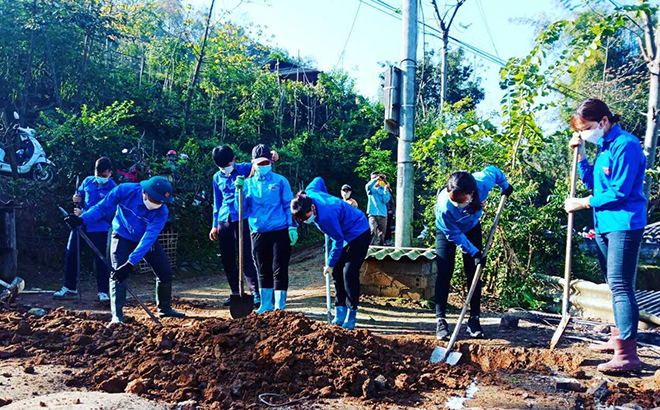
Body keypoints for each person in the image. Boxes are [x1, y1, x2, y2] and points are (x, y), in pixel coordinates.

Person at [566, 98, 647, 374]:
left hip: (624, 224)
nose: (585, 133)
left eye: (588, 128)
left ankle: (627, 354)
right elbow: (592, 183)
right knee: (615, 285)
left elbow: (619, 192)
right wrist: (582, 156)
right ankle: (617, 338)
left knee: (622, 285)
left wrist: (583, 203)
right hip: (604, 225)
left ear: (603, 121)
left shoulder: (627, 145)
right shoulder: (604, 146)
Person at [65, 176, 185, 325]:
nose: (157, 204)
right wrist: (83, 219)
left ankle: (164, 308)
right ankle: (117, 316)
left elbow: (148, 238)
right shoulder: (125, 190)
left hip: (145, 241)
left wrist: (130, 264)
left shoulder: (162, 212)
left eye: (161, 202)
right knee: (117, 273)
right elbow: (102, 207)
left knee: (165, 272)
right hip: (121, 236)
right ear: (145, 193)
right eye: (155, 200)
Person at [434, 167, 513, 340]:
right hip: (449, 231)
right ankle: (441, 320)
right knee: (444, 271)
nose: (458, 206)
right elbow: (453, 235)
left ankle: (474, 318)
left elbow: (495, 171)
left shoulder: (482, 182)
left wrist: (505, 186)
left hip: (471, 227)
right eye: (456, 203)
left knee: (474, 272)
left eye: (462, 202)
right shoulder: (444, 207)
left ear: (471, 193)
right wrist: (474, 251)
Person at [291, 177, 371, 329]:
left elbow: (338, 241)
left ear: (313, 208)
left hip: (358, 230)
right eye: (302, 220)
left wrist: (329, 263)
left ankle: (351, 313)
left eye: (306, 217)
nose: (306, 221)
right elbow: (319, 179)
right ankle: (340, 311)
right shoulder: (308, 193)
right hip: (343, 231)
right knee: (336, 273)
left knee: (349, 272)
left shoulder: (326, 217)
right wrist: (327, 195)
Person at [235, 144, 297, 313]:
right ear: (253, 163)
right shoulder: (248, 184)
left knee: (279, 267)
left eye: (265, 163)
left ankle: (279, 305)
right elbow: (242, 210)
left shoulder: (280, 181)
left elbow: (288, 205)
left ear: (271, 162)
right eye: (259, 163)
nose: (263, 166)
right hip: (258, 231)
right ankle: (266, 304)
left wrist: (292, 226)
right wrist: (237, 192)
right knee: (262, 268)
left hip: (280, 230)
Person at [209, 145, 268, 307]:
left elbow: (261, 164)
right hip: (224, 221)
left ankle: (255, 292)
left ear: (233, 160)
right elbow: (217, 202)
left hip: (242, 218)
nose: (226, 168)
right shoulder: (216, 178)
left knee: (247, 256)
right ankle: (235, 292)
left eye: (228, 164)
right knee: (228, 258)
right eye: (222, 166)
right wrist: (214, 225)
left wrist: (272, 156)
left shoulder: (244, 169)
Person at [54, 157, 117, 302]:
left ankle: (102, 291)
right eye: (98, 173)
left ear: (110, 173)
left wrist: (85, 215)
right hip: (80, 226)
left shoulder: (113, 189)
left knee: (100, 259)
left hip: (99, 228)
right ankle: (70, 287)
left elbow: (108, 213)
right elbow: (80, 196)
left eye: (103, 175)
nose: (100, 177)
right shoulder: (88, 181)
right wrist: (76, 199)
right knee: (71, 254)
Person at [366, 172, 391, 245]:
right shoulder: (370, 189)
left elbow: (386, 200)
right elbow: (368, 186)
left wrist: (386, 190)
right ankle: (370, 247)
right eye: (373, 178)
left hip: (382, 214)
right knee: (372, 231)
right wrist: (375, 179)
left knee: (382, 234)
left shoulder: (383, 188)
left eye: (377, 178)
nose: (376, 179)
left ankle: (380, 248)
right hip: (372, 213)